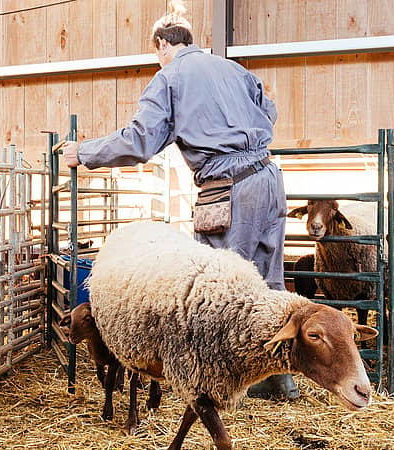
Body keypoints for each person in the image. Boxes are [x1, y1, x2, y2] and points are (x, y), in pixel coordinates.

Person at [54, 2, 297, 400]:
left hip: (227, 186)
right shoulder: (232, 68)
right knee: (269, 279)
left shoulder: (170, 78)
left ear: (162, 44)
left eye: (156, 54)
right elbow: (268, 111)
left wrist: (84, 152)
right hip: (269, 178)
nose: (157, 61)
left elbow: (141, 139)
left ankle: (218, 384)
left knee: (219, 294)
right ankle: (279, 380)